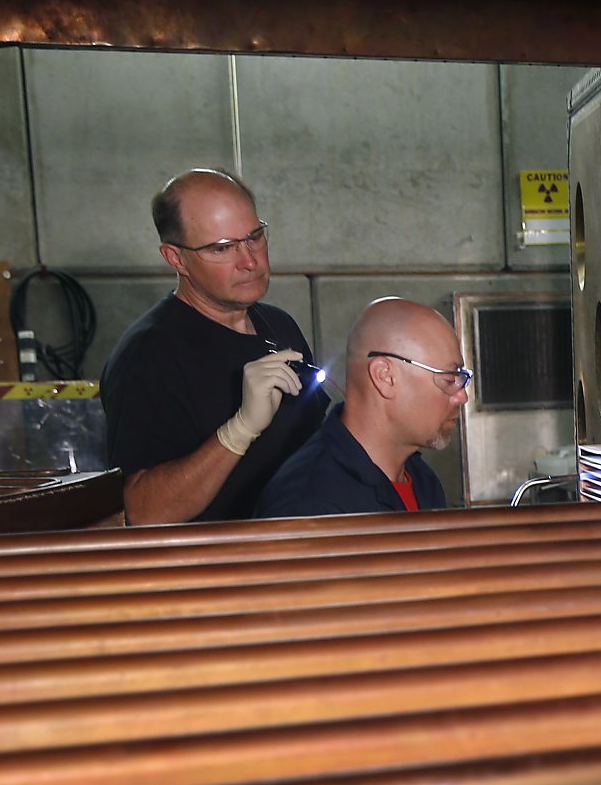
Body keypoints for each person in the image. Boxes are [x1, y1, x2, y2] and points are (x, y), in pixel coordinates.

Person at [100, 168, 323, 523]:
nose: (249, 261)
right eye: (222, 248)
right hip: (215, 571)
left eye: (254, 237)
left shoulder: (279, 326)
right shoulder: (149, 357)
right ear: (176, 258)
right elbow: (143, 511)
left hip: (292, 554)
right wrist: (239, 431)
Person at [255, 298, 468, 518]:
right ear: (385, 376)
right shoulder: (310, 506)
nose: (462, 396)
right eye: (449, 379)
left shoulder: (423, 480)